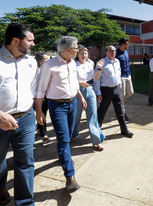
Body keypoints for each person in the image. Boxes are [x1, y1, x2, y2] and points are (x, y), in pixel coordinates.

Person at [35, 36, 87, 194]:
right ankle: (70, 177)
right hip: (57, 106)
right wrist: (39, 111)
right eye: (76, 48)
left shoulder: (72, 63)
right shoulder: (49, 66)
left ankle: (63, 158)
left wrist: (80, 97)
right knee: (63, 139)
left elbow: (74, 83)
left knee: (70, 135)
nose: (78, 50)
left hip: (73, 103)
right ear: (68, 50)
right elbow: (40, 90)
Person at [0, 23, 38, 206]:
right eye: (30, 40)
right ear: (16, 41)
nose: (33, 44)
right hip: (0, 120)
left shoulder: (31, 62)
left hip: (26, 119)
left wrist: (36, 112)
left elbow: (32, 90)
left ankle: (25, 202)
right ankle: (0, 188)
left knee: (25, 162)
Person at [94, 46, 134, 138]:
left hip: (117, 89)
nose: (112, 52)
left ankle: (124, 130)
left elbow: (118, 74)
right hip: (106, 90)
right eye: (110, 51)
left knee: (120, 110)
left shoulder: (117, 61)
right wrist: (98, 92)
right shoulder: (102, 62)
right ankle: (96, 131)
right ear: (106, 52)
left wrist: (119, 86)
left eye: (114, 51)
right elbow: (97, 79)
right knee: (102, 111)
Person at [71, 46, 105, 151]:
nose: (84, 55)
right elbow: (70, 80)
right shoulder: (73, 65)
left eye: (85, 53)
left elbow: (95, 78)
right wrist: (79, 83)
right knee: (76, 116)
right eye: (81, 53)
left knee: (92, 116)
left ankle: (97, 140)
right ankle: (73, 134)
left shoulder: (90, 64)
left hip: (90, 90)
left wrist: (99, 68)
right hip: (77, 91)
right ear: (77, 54)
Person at [115, 38, 134, 121]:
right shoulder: (116, 54)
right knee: (122, 95)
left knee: (130, 92)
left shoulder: (126, 52)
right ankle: (123, 112)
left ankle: (119, 102)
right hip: (121, 77)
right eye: (127, 44)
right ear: (123, 45)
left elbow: (127, 64)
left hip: (127, 75)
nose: (128, 45)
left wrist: (130, 74)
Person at [35, 52, 51, 145]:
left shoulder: (49, 68)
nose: (48, 60)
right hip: (39, 96)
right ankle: (44, 135)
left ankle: (39, 128)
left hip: (49, 94)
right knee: (42, 113)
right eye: (46, 58)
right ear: (40, 61)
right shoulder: (36, 71)